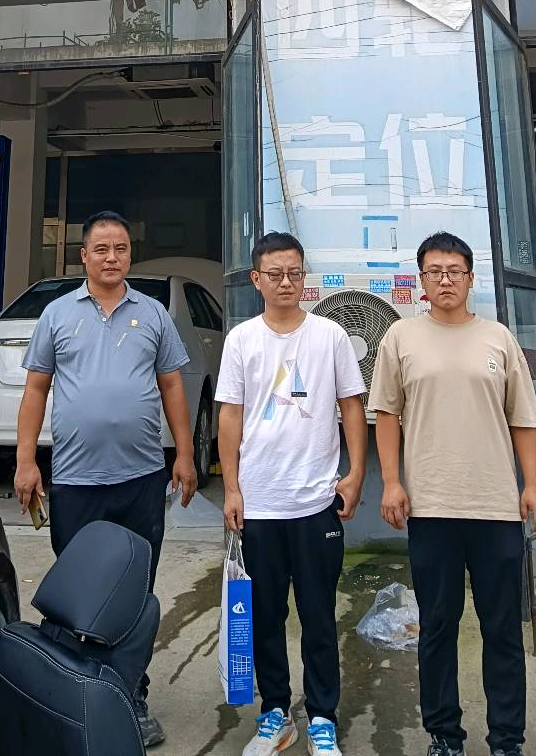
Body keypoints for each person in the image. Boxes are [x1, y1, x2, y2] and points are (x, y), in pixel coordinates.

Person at [13, 211, 198, 748]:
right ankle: (72, 697)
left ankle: (129, 696)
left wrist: (185, 454)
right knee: (78, 595)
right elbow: (35, 391)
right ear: (83, 257)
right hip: (76, 480)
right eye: (101, 249)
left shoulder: (154, 313)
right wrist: (26, 462)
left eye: (120, 248)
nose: (112, 257)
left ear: (129, 255)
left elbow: (172, 387)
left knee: (136, 594)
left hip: (141, 479)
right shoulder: (56, 314)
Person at [368, 232, 536, 756]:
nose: (445, 280)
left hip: (495, 507)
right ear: (421, 281)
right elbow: (387, 414)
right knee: (437, 629)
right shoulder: (401, 337)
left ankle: (507, 740)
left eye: (454, 271)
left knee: (503, 632)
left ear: (471, 279)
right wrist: (393, 481)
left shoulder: (498, 338)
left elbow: (522, 418)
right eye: (435, 272)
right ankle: (444, 735)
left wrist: (533, 485)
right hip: (432, 508)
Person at [216, 232, 368, 756]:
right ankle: (275, 714)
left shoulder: (330, 336)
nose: (286, 283)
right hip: (259, 503)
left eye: (295, 273)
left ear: (305, 278)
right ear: (256, 279)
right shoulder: (242, 340)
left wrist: (356, 473)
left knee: (319, 615)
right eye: (275, 274)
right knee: (265, 616)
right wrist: (231, 488)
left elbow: (351, 405)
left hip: (315, 503)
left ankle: (323, 717)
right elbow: (230, 416)